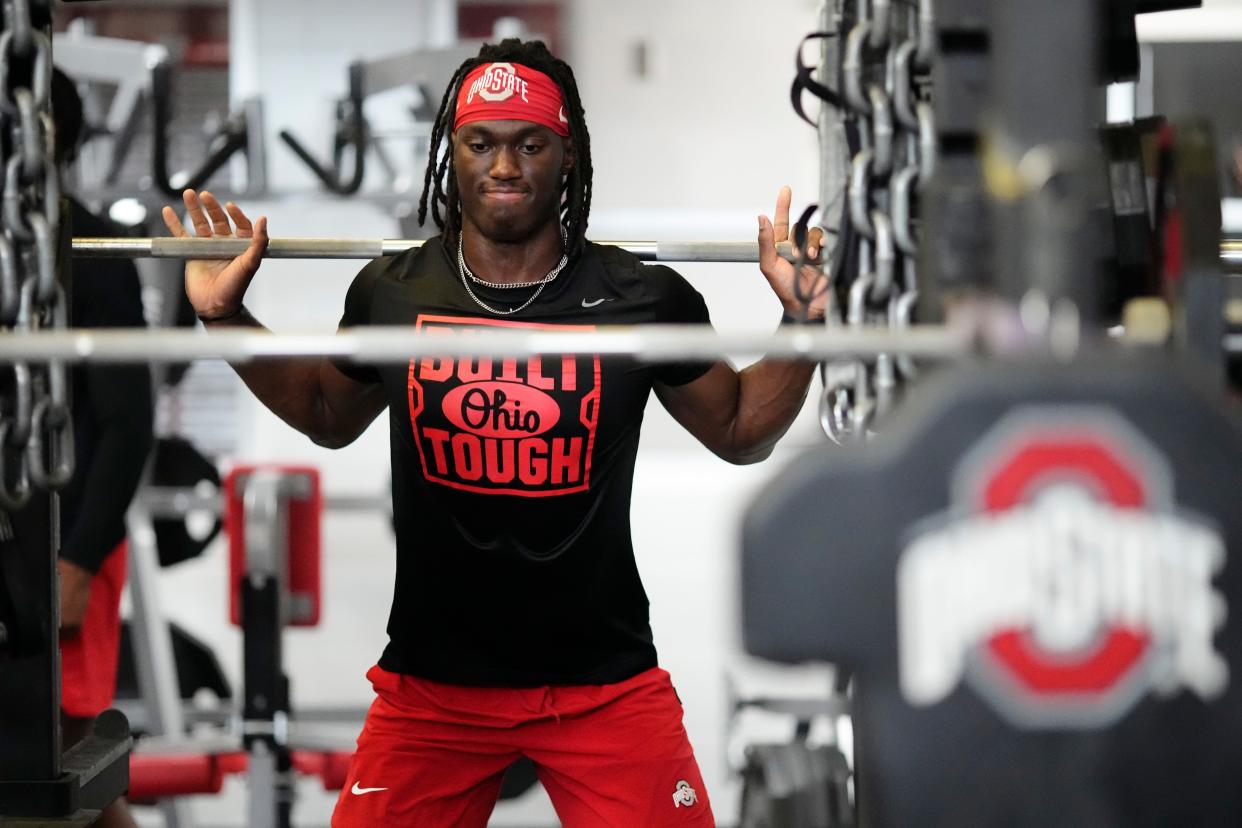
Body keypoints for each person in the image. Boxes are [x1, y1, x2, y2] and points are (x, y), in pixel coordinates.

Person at [162, 38, 825, 827]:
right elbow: (324, 414)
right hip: (432, 691)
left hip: (601, 687)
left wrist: (802, 321)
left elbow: (743, 429)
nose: (503, 166)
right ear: (454, 152)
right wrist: (224, 316)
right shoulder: (393, 293)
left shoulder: (639, 299)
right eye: (481, 143)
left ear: (566, 156)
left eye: (528, 144)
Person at [53, 68, 154, 828]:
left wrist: (77, 563)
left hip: (64, 547)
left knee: (68, 765)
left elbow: (126, 424)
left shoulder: (94, 254)